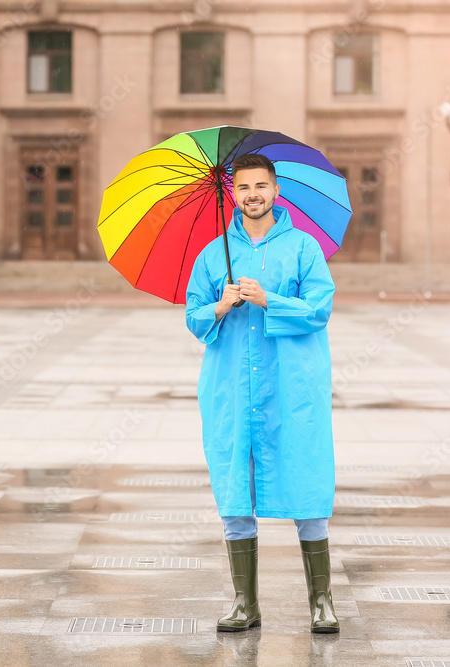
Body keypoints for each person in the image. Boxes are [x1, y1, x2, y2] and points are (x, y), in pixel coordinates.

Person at [185, 152, 339, 633]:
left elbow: (320, 308)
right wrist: (219, 305)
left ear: (275, 191)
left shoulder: (303, 248)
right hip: (232, 389)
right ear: (233, 192)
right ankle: (244, 603)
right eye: (244, 187)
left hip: (290, 389)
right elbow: (193, 316)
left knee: (306, 478)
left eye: (261, 187)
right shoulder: (214, 254)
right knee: (233, 487)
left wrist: (270, 298)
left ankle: (321, 600)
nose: (253, 195)